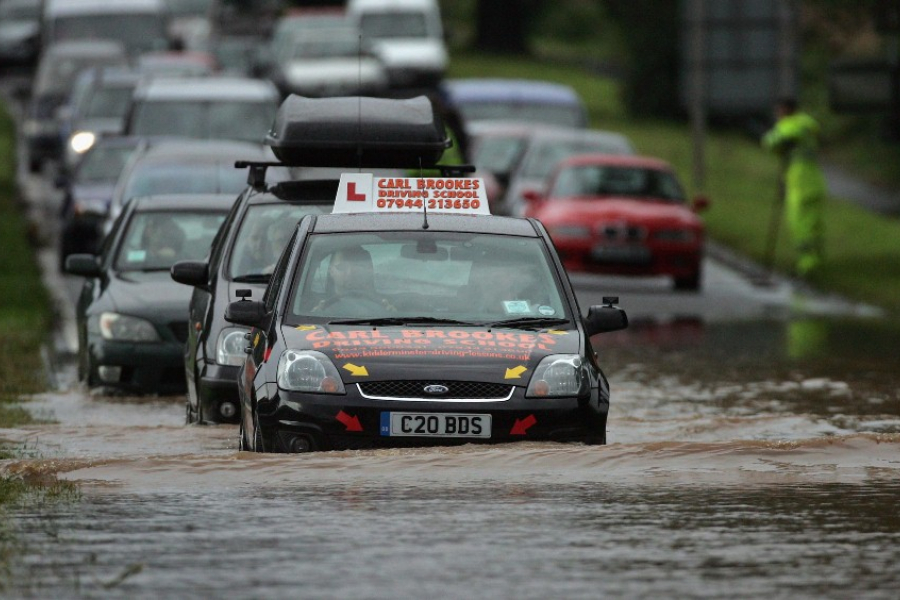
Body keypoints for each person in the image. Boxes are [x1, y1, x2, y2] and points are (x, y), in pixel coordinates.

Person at [762, 97, 828, 277]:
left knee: (801, 226)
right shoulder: (807, 122)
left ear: (784, 109)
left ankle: (807, 266)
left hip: (799, 184)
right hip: (815, 181)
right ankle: (817, 262)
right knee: (815, 225)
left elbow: (770, 142)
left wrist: (777, 140)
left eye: (778, 110)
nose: (777, 115)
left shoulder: (789, 125)